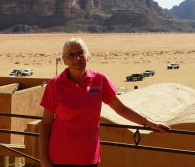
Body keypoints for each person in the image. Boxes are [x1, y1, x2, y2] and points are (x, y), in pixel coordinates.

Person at [39, 37, 170, 167]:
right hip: (59, 158)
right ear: (64, 60)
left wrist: (148, 123)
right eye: (71, 54)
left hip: (88, 158)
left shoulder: (99, 80)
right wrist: (44, 159)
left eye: (80, 53)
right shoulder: (55, 85)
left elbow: (121, 109)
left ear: (88, 56)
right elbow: (45, 124)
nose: (77, 58)